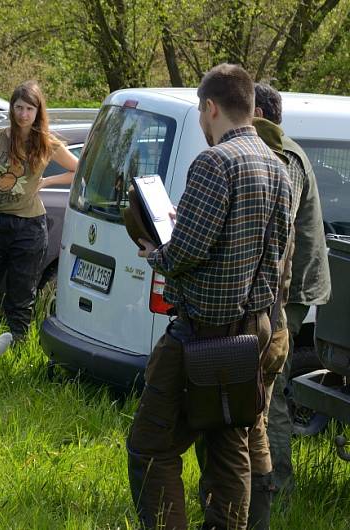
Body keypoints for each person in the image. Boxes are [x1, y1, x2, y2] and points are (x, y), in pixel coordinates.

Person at [127, 64, 291, 529]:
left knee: (150, 447)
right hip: (253, 332)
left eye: (202, 112)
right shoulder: (278, 167)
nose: (202, 122)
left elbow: (187, 252)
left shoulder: (214, 162)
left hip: (201, 335)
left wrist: (156, 251)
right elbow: (271, 250)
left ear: (211, 107)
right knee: (227, 449)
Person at [247, 83, 331, 524]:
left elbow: (277, 224)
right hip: (282, 285)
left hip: (291, 290)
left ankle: (277, 483)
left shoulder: (286, 156)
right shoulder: (275, 150)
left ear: (258, 112)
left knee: (269, 386)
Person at [0, 80, 78, 341]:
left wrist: (48, 181)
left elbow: (78, 169)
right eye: (19, 107)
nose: (23, 114)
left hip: (29, 230)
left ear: (37, 111)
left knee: (20, 300)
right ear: (11, 108)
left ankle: (15, 357)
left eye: (29, 109)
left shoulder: (46, 143)